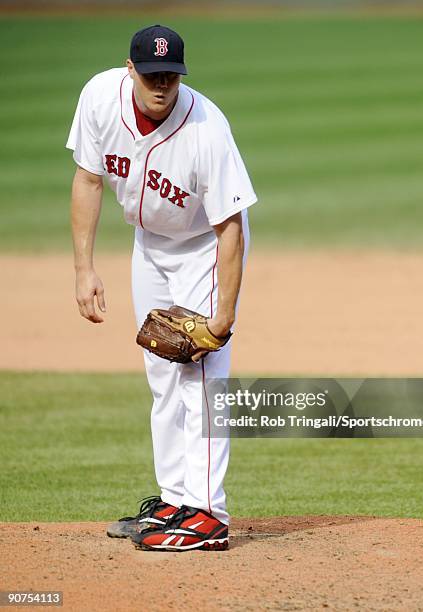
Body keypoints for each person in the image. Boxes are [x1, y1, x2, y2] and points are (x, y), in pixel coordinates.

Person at [67, 24, 257, 552]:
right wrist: (84, 269)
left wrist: (222, 318)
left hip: (203, 247)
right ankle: (176, 499)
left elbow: (231, 228)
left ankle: (209, 516)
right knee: (160, 371)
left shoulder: (207, 128)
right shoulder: (99, 100)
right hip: (149, 246)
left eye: (171, 74)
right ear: (130, 70)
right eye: (151, 74)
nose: (161, 83)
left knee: (200, 374)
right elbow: (87, 179)